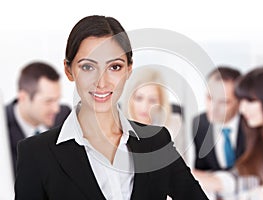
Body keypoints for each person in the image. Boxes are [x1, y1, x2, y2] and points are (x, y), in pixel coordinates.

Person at [14, 15, 208, 200]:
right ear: (69, 70)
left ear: (128, 70)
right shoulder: (36, 153)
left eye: (114, 67)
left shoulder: (157, 142)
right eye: (88, 67)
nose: (102, 82)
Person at [197, 66, 263, 200]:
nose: (243, 109)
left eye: (250, 101)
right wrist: (207, 180)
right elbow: (246, 174)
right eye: (242, 101)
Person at [6, 61, 71, 176]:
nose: (56, 109)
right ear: (23, 97)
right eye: (48, 101)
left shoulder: (64, 116)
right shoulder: (3, 127)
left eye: (57, 100)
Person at [121, 67, 186, 160]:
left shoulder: (174, 123)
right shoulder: (117, 125)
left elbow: (182, 164)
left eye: (152, 100)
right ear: (130, 99)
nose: (145, 107)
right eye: (139, 98)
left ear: (161, 102)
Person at [192, 66, 245, 172]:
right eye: (210, 98)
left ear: (239, 102)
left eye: (224, 102)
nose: (213, 108)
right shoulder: (200, 124)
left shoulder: (252, 125)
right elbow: (202, 170)